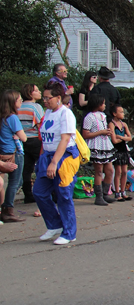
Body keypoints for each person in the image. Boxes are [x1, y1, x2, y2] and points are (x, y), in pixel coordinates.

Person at [34, 82, 80, 245]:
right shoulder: (47, 112)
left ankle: (69, 232)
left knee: (63, 195)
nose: (45, 101)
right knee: (39, 192)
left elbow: (65, 138)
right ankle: (54, 225)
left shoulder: (65, 114)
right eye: (44, 98)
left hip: (64, 157)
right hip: (48, 156)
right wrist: (42, 160)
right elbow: (45, 140)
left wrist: (54, 162)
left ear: (58, 98)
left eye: (48, 98)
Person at [81, 93, 117, 205]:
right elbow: (85, 134)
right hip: (96, 146)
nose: (105, 105)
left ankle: (106, 193)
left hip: (105, 145)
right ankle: (99, 196)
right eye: (103, 103)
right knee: (99, 171)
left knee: (110, 170)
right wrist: (101, 132)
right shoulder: (89, 117)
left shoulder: (103, 116)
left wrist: (107, 132)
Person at [0, 90, 27, 222]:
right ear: (12, 102)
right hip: (14, 153)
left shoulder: (2, 118)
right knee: (15, 181)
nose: (21, 101)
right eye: (19, 99)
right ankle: (7, 209)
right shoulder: (13, 118)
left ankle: (5, 207)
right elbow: (24, 137)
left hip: (3, 153)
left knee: (6, 182)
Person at [18, 84, 45, 205]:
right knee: (42, 165)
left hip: (22, 140)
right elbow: (41, 124)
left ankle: (27, 194)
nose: (39, 92)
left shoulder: (19, 107)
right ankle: (45, 191)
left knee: (26, 168)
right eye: (37, 90)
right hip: (35, 139)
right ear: (30, 93)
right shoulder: (36, 107)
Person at [108, 103, 132, 202]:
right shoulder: (112, 124)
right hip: (116, 150)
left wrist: (121, 137)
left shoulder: (124, 124)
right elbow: (114, 140)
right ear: (114, 113)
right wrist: (123, 138)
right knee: (118, 171)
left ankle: (123, 191)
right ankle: (117, 192)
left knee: (125, 171)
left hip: (124, 150)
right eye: (121, 112)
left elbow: (129, 137)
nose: (123, 114)